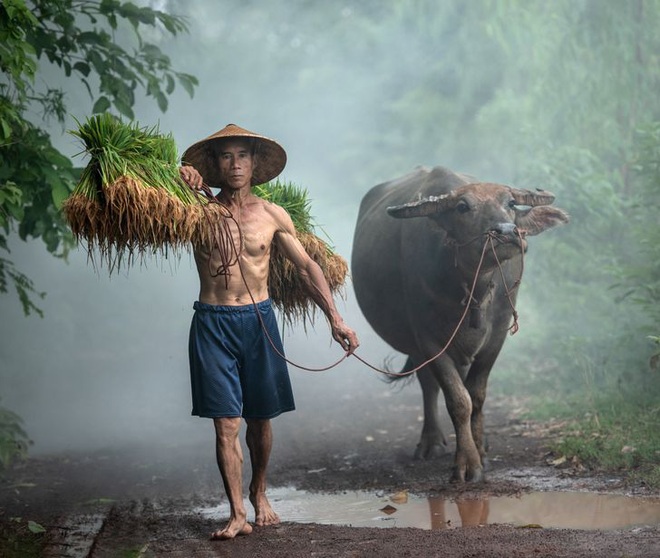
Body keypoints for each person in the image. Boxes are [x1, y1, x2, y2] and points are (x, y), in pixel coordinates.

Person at [178, 123, 359, 540]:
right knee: (227, 423)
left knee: (260, 418)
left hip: (258, 320)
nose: (235, 164)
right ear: (215, 165)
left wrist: (336, 318)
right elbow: (148, 190)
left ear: (255, 163)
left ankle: (259, 491)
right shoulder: (195, 208)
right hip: (212, 321)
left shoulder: (272, 215)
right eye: (226, 156)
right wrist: (178, 174)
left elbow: (306, 266)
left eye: (243, 155)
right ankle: (237, 512)